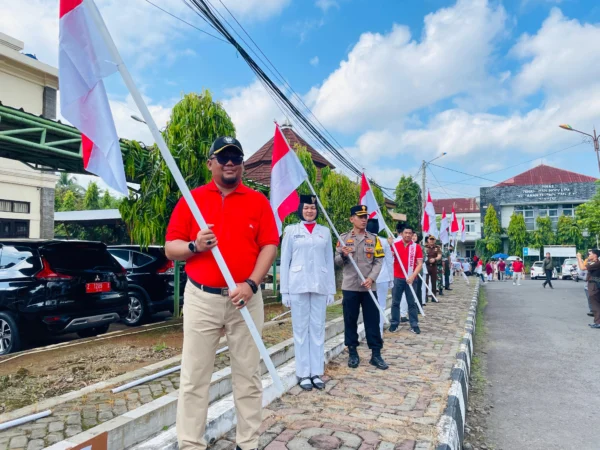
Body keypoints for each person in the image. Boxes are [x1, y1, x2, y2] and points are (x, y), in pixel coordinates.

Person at [165, 136, 279, 450]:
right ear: (210, 163)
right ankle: (190, 443)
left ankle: (248, 442)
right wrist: (194, 246)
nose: (230, 162)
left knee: (248, 375)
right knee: (194, 376)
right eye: (223, 156)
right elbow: (171, 248)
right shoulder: (192, 200)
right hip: (202, 299)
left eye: (236, 157)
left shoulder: (257, 201)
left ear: (242, 164)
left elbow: (269, 244)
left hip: (246, 299)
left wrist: (252, 284)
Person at [280, 195, 336, 391]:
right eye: (306, 208)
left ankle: (316, 372)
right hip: (297, 285)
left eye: (313, 207)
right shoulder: (291, 231)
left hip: (319, 285)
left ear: (316, 210)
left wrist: (331, 289)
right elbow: (284, 261)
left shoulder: (325, 232)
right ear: (300, 209)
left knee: (318, 329)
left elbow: (329, 261)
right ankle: (303, 373)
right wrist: (284, 291)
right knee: (301, 331)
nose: (310, 211)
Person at [335, 205, 388, 370]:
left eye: (365, 216)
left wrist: (371, 278)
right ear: (352, 219)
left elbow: (379, 261)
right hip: (350, 286)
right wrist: (343, 254)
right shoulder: (343, 238)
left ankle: (376, 354)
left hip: (368, 287)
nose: (364, 219)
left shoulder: (374, 239)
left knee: (372, 320)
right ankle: (352, 352)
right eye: (360, 216)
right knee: (350, 320)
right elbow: (336, 262)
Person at [389, 223, 424, 335]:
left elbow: (419, 264)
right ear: (402, 234)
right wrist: (388, 245)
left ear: (413, 234)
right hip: (397, 277)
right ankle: (394, 323)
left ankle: (414, 324)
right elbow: (388, 258)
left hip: (411, 278)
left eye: (410, 233)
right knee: (395, 302)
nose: (408, 235)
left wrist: (413, 276)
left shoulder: (416, 247)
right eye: (406, 233)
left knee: (411, 303)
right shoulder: (395, 245)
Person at [366, 218, 394, 333]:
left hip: (369, 278)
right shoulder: (384, 242)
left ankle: (371, 331)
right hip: (382, 278)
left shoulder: (365, 240)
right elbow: (389, 261)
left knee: (369, 307)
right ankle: (379, 331)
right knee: (381, 305)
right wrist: (391, 279)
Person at [576, 249, 600, 328]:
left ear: (595, 255)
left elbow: (582, 268)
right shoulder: (593, 263)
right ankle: (597, 322)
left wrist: (579, 258)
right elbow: (582, 267)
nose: (589, 255)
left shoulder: (597, 263)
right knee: (595, 304)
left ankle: (598, 322)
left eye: (590, 254)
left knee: (595, 305)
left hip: (594, 286)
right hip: (593, 285)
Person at [424, 235, 442, 301]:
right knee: (426, 282)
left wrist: (435, 259)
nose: (431, 241)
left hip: (434, 266)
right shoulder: (425, 247)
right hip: (426, 266)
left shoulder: (437, 247)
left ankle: (433, 296)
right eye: (430, 239)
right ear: (428, 240)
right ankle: (425, 296)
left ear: (434, 240)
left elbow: (439, 255)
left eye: (433, 239)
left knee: (434, 282)